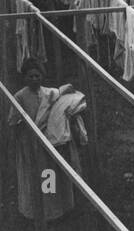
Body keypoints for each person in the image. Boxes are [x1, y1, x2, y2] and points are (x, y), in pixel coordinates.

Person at [6, 57, 87, 222]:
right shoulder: (19, 96)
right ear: (25, 78)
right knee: (34, 176)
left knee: (49, 174)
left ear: (42, 77)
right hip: (30, 142)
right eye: (30, 76)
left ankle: (54, 210)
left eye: (37, 76)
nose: (34, 79)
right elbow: (13, 121)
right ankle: (36, 211)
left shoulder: (49, 93)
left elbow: (59, 107)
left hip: (49, 142)